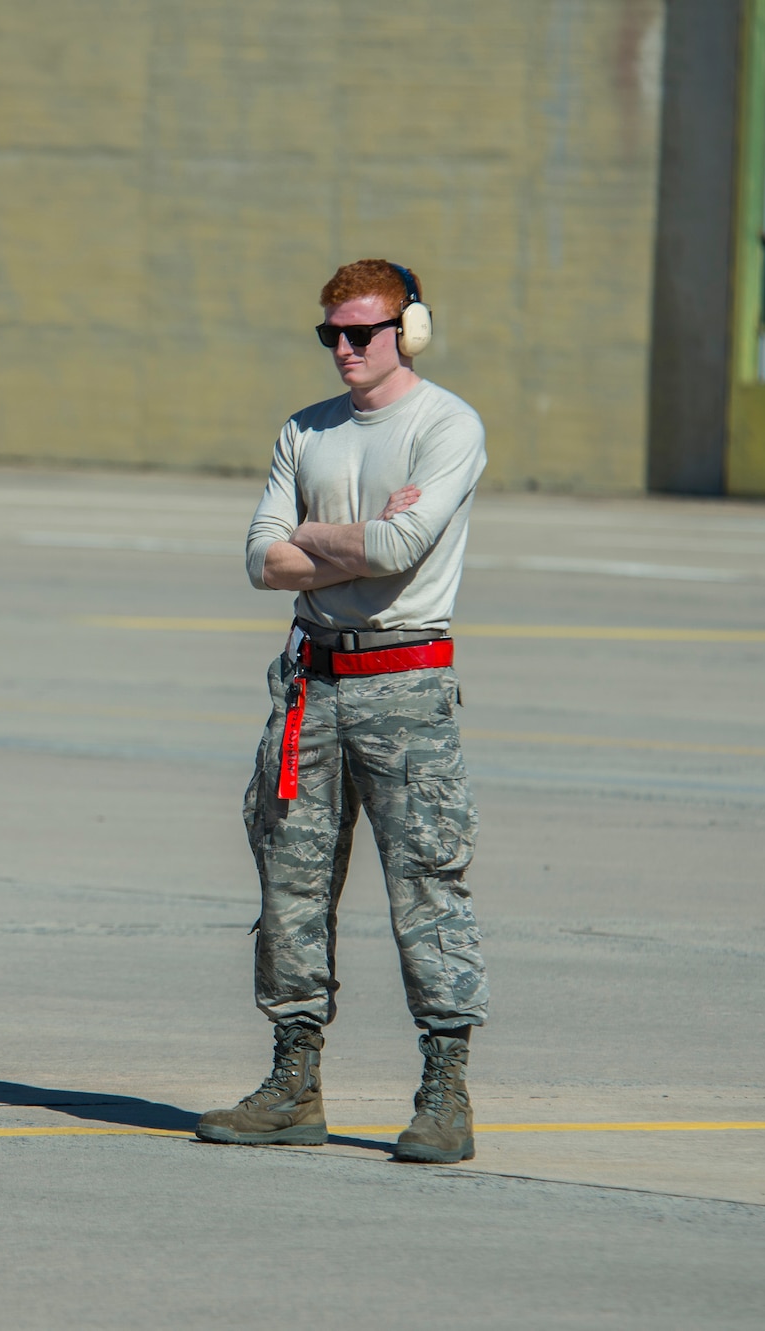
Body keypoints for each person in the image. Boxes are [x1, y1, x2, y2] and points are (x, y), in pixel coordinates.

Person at [196, 258, 488, 1164]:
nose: (345, 349)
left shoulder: (447, 425)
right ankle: (294, 1079)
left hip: (405, 685)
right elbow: (260, 561)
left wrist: (309, 538)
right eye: (332, 334)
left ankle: (445, 1091)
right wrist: (350, 543)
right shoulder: (305, 431)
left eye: (362, 331)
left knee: (426, 886)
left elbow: (405, 547)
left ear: (411, 330)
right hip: (311, 682)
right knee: (290, 881)